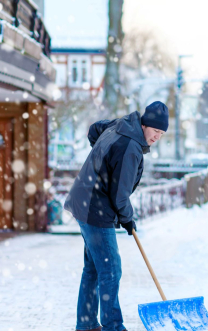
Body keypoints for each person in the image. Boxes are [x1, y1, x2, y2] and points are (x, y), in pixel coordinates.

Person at [64, 101, 169, 331]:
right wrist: (128, 218)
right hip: (95, 208)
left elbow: (94, 129)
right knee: (111, 269)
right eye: (155, 131)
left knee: (94, 268)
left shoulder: (121, 125)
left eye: (161, 133)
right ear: (144, 125)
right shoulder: (131, 146)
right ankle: (113, 326)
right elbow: (120, 195)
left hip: (84, 201)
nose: (156, 137)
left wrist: (101, 161)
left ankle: (87, 324)